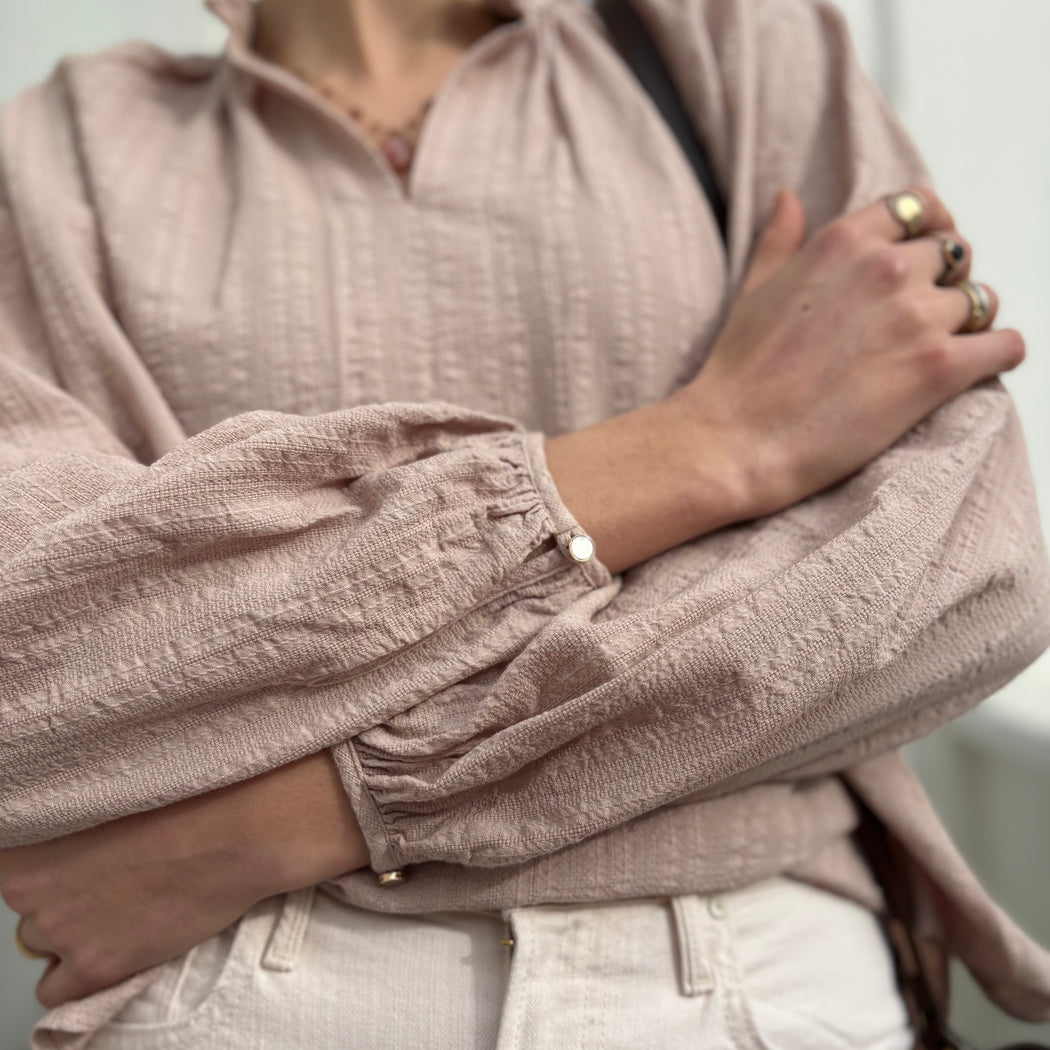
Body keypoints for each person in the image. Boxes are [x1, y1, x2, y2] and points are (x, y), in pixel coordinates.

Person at [0, 0, 1048, 1046]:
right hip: (254, 992)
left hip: (750, 967)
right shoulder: (63, 147)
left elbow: (965, 563)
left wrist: (289, 820)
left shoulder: (719, 38)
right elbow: (33, 667)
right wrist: (711, 444)